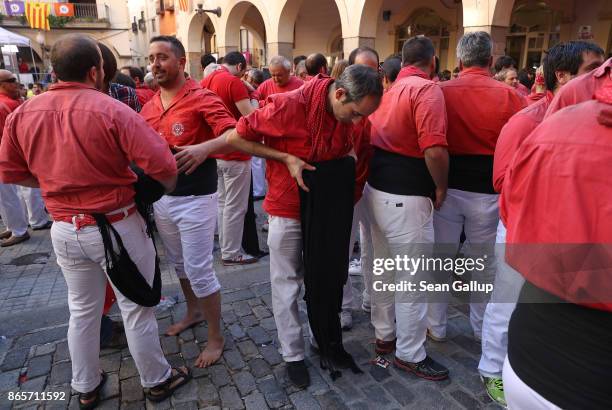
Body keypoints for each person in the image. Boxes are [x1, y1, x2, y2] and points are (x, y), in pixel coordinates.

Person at [0, 33, 191, 407]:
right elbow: (165, 166)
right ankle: (157, 378)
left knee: (82, 309)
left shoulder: (25, 112)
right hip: (116, 222)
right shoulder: (111, 109)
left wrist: (52, 183)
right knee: (135, 306)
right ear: (95, 70)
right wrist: (159, 188)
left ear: (54, 69)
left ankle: (85, 386)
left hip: (64, 227)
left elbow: (10, 170)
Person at [226, 65, 382, 388]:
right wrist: (285, 158)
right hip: (287, 207)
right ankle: (292, 354)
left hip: (328, 208)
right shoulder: (288, 106)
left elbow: (356, 147)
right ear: (339, 94)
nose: (357, 123)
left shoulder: (353, 115)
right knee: (286, 282)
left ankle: (322, 337)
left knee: (325, 276)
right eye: (354, 114)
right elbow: (235, 138)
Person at [479, 40, 605, 407]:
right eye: (591, 69)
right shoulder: (525, 121)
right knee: (505, 302)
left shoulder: (590, 122)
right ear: (562, 76)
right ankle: (491, 369)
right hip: (525, 233)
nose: (599, 78)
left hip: (567, 244)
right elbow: (505, 183)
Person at [140, 35, 236, 367]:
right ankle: (193, 311)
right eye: (151, 57)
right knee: (179, 265)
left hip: (196, 198)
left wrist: (204, 148)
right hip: (162, 199)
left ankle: (215, 337)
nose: (155, 64)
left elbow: (234, 132)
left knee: (198, 269)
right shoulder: (149, 105)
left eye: (163, 57)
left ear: (181, 63)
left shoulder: (202, 97)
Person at [430, 31, 526, 344]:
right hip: (488, 191)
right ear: (491, 61)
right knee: (483, 264)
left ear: (459, 61)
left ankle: (436, 325)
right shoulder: (510, 96)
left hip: (447, 186)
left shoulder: (440, 91)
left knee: (441, 259)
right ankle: (481, 326)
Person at [365, 36, 450, 381]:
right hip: (406, 198)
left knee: (383, 269)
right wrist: (441, 186)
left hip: (377, 192)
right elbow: (434, 149)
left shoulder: (386, 90)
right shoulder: (426, 90)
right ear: (432, 62)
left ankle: (385, 335)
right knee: (412, 278)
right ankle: (410, 354)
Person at [201, 51, 259, 265]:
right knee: (235, 206)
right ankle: (231, 252)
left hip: (215, 151)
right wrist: (253, 97)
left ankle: (227, 247)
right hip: (235, 151)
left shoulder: (206, 80)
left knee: (224, 204)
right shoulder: (233, 82)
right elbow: (251, 117)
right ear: (241, 66)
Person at [0, 70, 50, 247]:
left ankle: (20, 228)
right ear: (2, 84)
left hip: (15, 153)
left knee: (13, 194)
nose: (17, 83)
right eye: (12, 80)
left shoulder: (10, 102)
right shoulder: (7, 104)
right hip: (15, 153)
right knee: (16, 193)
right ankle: (20, 225)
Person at [545, 48, 609, 117]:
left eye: (605, 69)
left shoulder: (598, 111)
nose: (603, 74)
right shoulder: (533, 118)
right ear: (562, 76)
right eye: (594, 69)